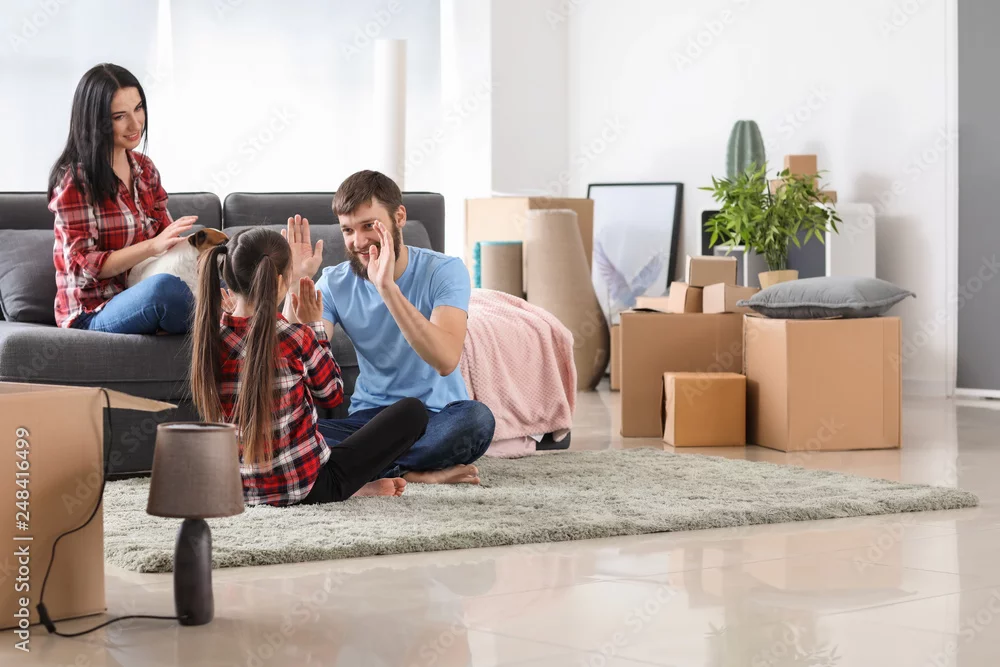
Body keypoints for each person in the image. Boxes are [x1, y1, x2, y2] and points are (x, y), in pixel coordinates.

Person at [189, 226, 430, 506]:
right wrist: (315, 327)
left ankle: (354, 486)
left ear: (229, 283)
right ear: (281, 282)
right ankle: (351, 487)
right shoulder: (296, 337)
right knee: (413, 412)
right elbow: (332, 395)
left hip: (238, 490)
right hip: (308, 487)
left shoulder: (209, 340)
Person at [284, 170, 495, 485]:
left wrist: (387, 288)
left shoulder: (445, 271)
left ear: (399, 217)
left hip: (437, 417)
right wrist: (293, 282)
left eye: (369, 226)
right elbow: (297, 360)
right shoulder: (335, 282)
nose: (358, 242)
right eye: (348, 230)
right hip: (371, 422)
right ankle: (412, 471)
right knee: (284, 433)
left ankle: (360, 466)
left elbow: (445, 360)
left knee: (477, 420)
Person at [49, 63, 197, 334]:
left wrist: (200, 251)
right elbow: (85, 268)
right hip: (93, 311)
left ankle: (237, 327)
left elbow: (166, 241)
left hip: (140, 288)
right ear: (96, 122)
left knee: (225, 277)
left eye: (138, 108)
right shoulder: (75, 181)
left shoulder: (145, 169)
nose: (135, 124)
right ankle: (226, 324)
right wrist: (152, 246)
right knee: (164, 292)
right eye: (119, 116)